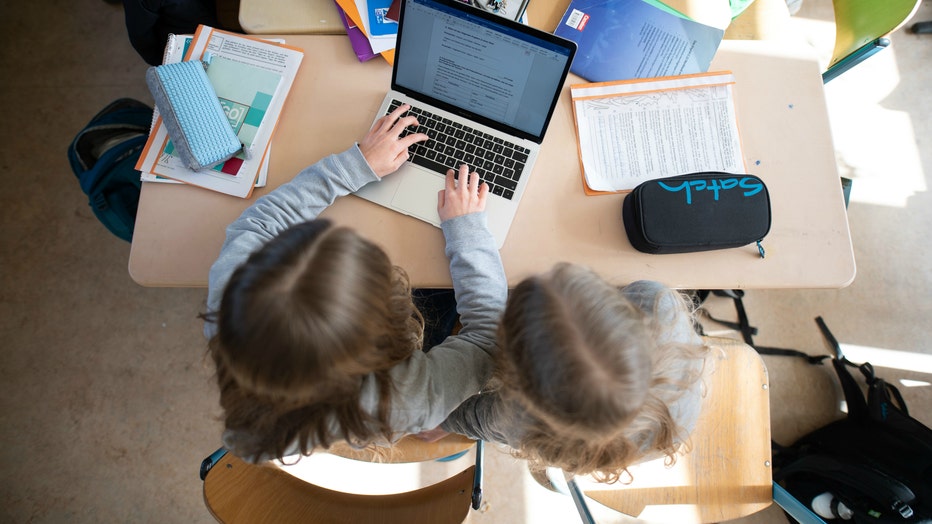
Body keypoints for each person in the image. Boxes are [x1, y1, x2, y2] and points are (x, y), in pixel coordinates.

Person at [204, 104, 507, 463]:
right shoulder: (412, 400)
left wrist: (357, 165)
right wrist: (468, 230)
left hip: (350, 423)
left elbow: (258, 226)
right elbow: (487, 338)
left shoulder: (233, 308)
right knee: (442, 301)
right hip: (416, 419)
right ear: (389, 324)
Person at [430, 263, 710, 483]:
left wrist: (442, 419)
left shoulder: (520, 419)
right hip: (669, 423)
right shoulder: (658, 303)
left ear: (523, 386)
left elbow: (476, 417)